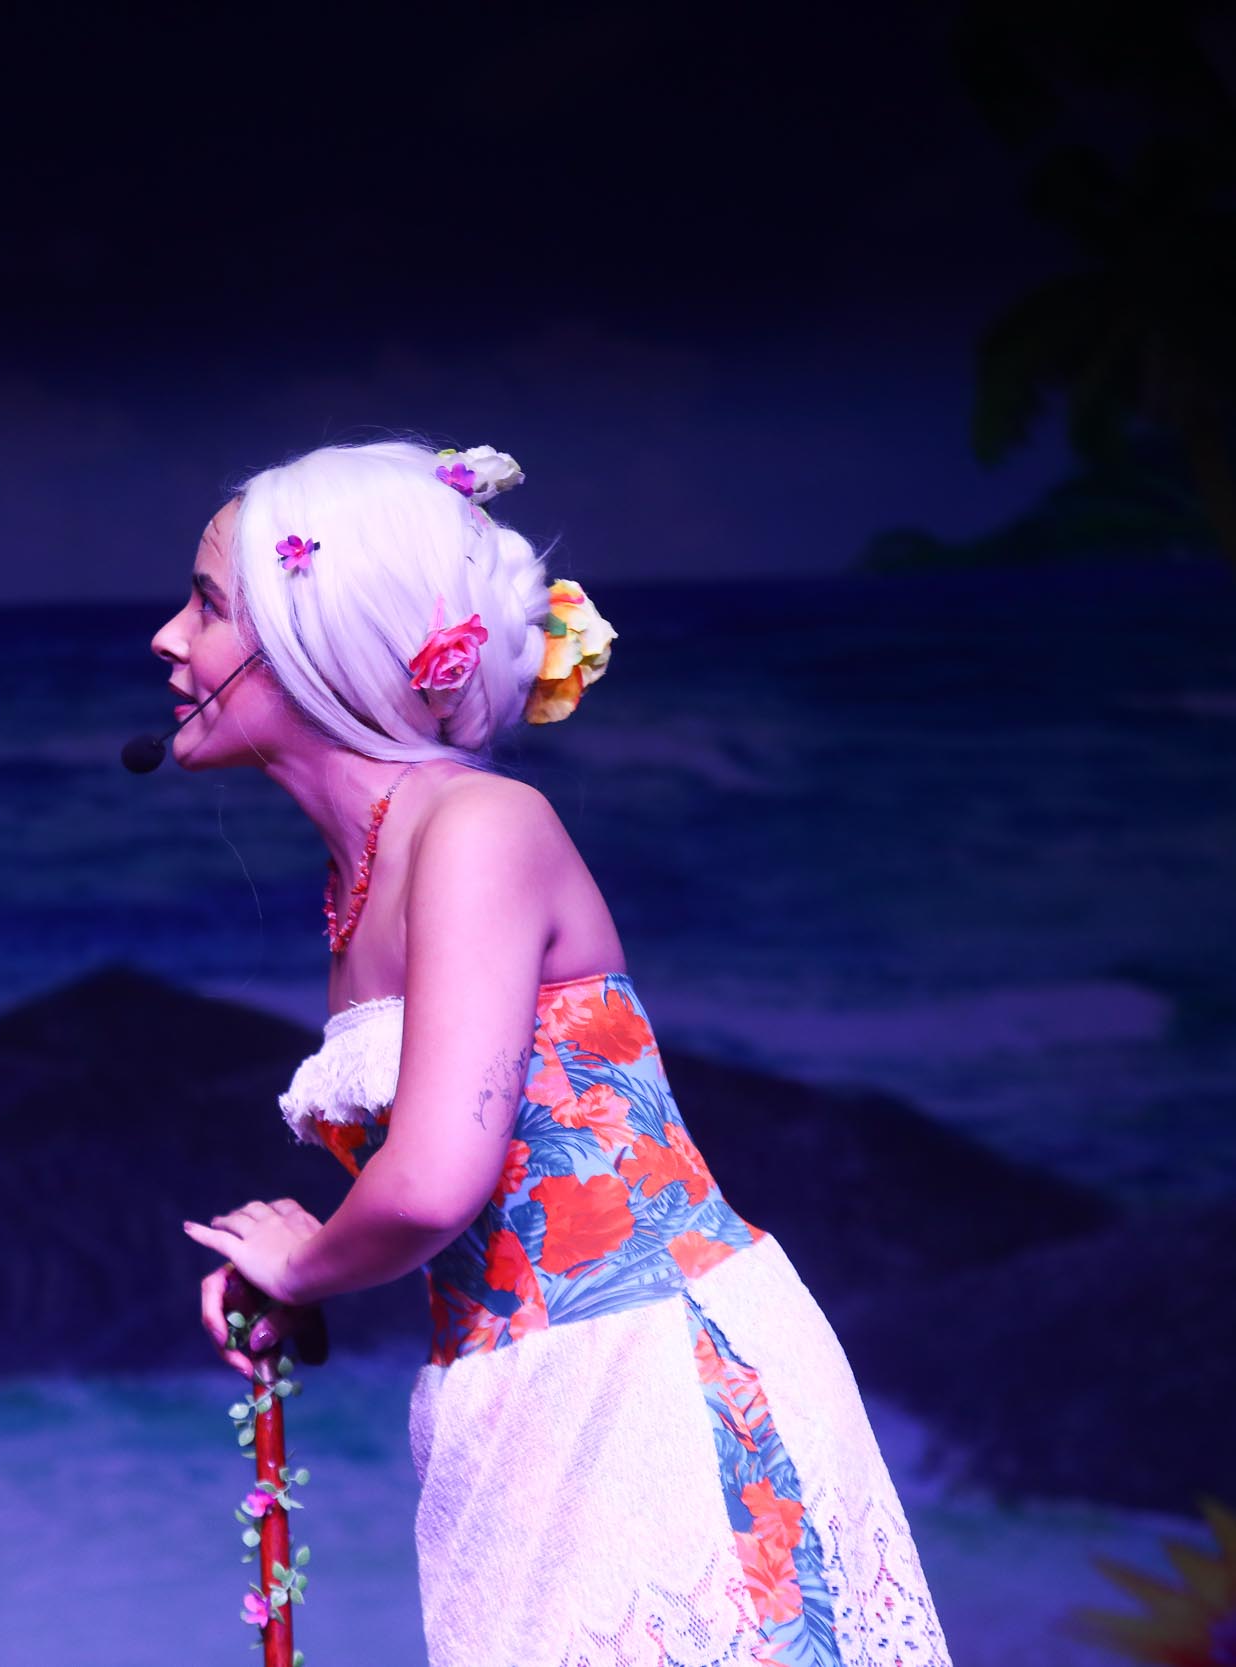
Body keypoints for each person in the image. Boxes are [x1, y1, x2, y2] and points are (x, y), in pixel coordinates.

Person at [165, 440, 946, 1666]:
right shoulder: (363, 877)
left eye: (208, 605)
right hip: (517, 1397)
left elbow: (435, 1178)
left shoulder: (480, 824)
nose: (168, 638)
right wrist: (301, 1271)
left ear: (320, 637)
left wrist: (307, 1261)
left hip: (650, 1378)